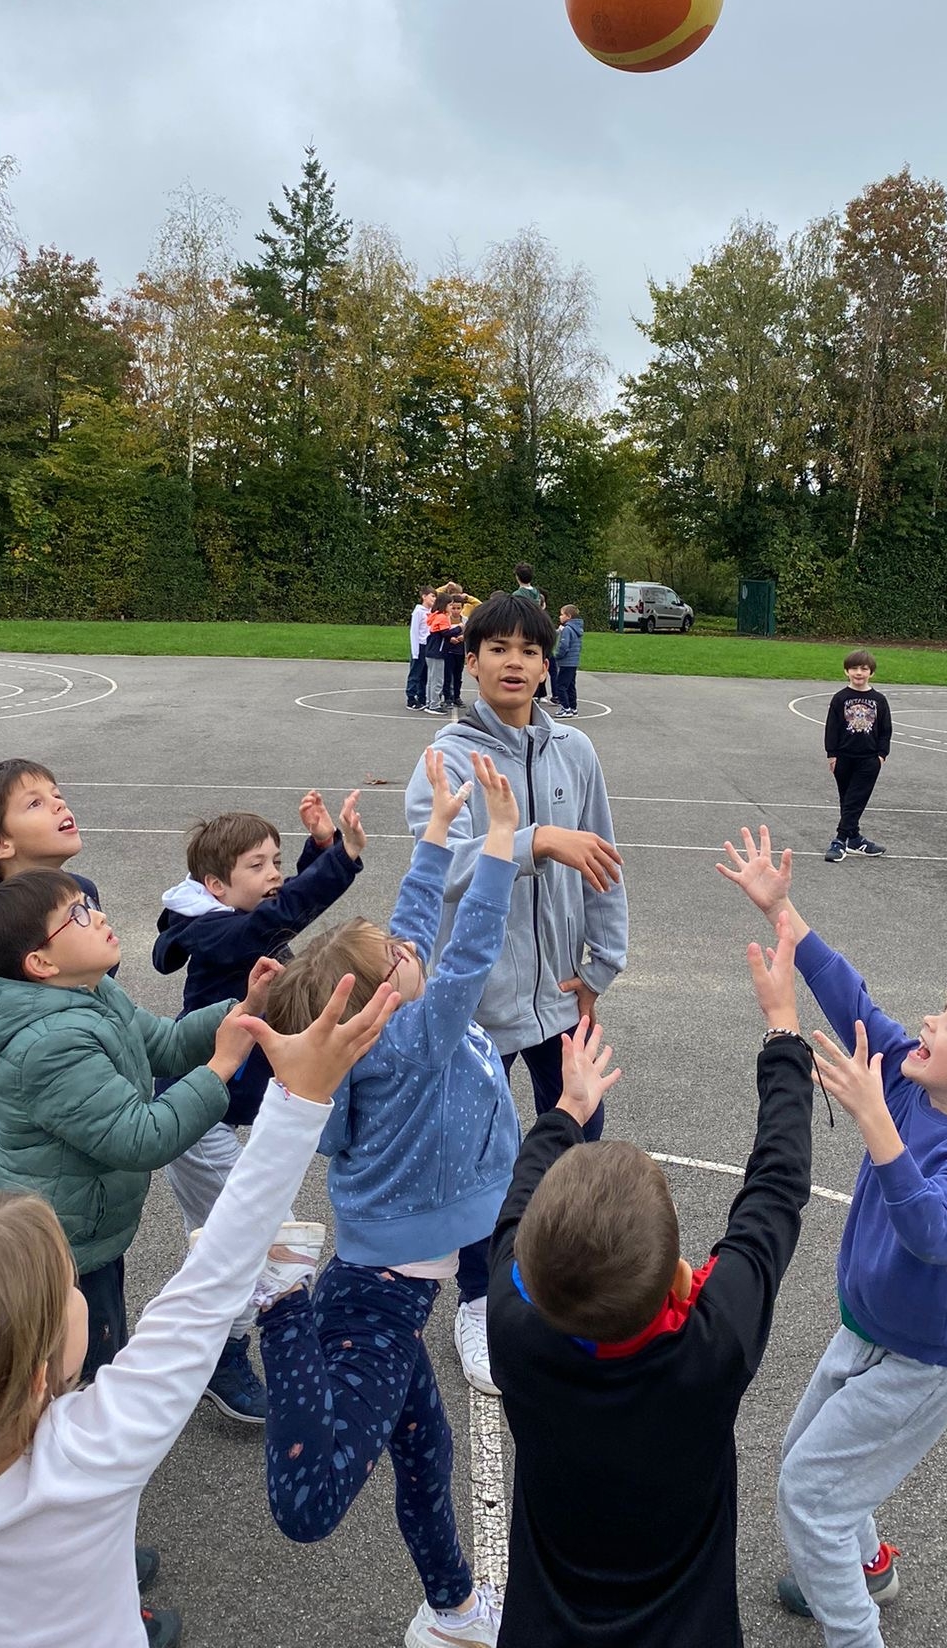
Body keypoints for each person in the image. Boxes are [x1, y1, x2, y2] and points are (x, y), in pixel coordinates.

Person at [0, 988, 395, 1648]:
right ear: (43, 1376)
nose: (78, 1288)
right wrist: (301, 1099)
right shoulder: (93, 1452)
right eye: (68, 1289)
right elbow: (216, 1279)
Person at [719, 826, 947, 1642]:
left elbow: (935, 1232)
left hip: (925, 1357)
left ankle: (855, 1629)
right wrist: (787, 916)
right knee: (809, 1456)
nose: (927, 1021)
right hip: (868, 1326)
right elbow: (851, 997)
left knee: (808, 1491)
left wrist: (876, 1122)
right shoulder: (913, 1071)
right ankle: (867, 1564)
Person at [255, 749, 520, 1648]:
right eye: (400, 959)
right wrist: (499, 842)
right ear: (380, 999)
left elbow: (406, 932)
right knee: (309, 1500)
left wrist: (438, 831)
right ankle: (277, 1299)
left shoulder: (378, 1032)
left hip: (390, 1277)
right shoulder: (417, 1039)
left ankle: (451, 1609)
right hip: (383, 1292)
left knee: (425, 1450)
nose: (415, 948)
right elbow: (469, 943)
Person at [487, 926, 815, 1647]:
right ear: (682, 1278)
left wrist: (566, 1113)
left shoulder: (513, 1330)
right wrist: (784, 1033)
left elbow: (514, 1208)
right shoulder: (712, 1344)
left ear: (531, 1272)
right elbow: (775, 1190)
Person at [404, 590, 627, 1394]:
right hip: (480, 1000)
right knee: (477, 1152)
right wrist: (532, 840)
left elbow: (605, 863)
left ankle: (578, 1272)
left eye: (529, 651)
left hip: (559, 994)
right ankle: (477, 1297)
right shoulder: (451, 758)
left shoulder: (576, 753)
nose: (513, 662)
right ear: (469, 662)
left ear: (547, 663)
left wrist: (599, 967)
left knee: (582, 1128)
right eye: (495, 648)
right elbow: (440, 866)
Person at [0, 870, 263, 1380]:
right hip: (54, 1250)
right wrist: (220, 1067)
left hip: (87, 1229)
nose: (97, 915)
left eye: (89, 904)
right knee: (70, 1374)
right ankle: (73, 1452)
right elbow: (143, 1137)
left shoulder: (92, 993)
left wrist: (241, 1012)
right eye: (76, 915)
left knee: (96, 1352)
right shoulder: (48, 1045)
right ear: (40, 963)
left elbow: (165, 1044)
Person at [150, 789, 366, 1419]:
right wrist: (345, 859)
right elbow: (278, 917)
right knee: (260, 1238)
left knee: (231, 1240)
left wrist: (320, 846)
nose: (275, 875)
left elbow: (277, 901)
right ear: (215, 885)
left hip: (219, 1115)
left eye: (278, 860)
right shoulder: (218, 934)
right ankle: (222, 1352)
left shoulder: (233, 915)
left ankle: (197, 1344)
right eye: (259, 865)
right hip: (195, 1119)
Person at [0, 759, 104, 1202]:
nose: (58, 805)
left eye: (57, 795)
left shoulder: (79, 892)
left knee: (81, 1251)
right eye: (35, 803)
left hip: (74, 1104)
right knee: (3, 1262)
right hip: (6, 1132)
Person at [824, 650, 891, 861]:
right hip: (843, 757)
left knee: (855, 799)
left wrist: (881, 755)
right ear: (846, 671)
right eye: (854, 668)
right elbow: (832, 728)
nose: (859, 673)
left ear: (871, 672)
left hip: (869, 759)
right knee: (847, 800)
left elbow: (886, 729)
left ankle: (839, 840)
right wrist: (832, 754)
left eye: (864, 669)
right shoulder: (840, 698)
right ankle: (854, 838)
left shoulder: (879, 700)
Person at [423, 594, 452, 716]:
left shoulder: (435, 615)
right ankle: (434, 705)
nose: (451, 607)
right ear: (444, 605)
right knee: (437, 679)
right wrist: (460, 628)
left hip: (431, 651)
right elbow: (445, 633)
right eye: (450, 605)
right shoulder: (442, 617)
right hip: (437, 652)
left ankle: (430, 702)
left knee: (431, 678)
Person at [406, 587, 435, 711]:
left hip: (429, 645)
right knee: (415, 672)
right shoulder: (418, 611)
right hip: (420, 645)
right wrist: (415, 651)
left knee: (425, 673)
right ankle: (411, 698)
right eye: (432, 596)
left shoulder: (432, 611)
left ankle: (422, 697)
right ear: (424, 596)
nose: (434, 599)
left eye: (435, 596)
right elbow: (414, 631)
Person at [551, 604, 583, 717]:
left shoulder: (567, 629)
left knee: (561, 685)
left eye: (562, 614)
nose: (560, 617)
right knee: (570, 685)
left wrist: (557, 655)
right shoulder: (577, 629)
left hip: (566, 662)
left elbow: (563, 646)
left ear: (568, 616)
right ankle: (573, 707)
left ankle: (566, 708)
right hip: (573, 661)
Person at [441, 598, 467, 710]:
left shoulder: (465, 620)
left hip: (460, 652)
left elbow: (470, 633)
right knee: (447, 675)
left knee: (458, 676)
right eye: (453, 608)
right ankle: (447, 697)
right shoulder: (446, 619)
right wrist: (450, 638)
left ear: (462, 608)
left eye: (458, 608)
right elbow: (442, 633)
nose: (456, 611)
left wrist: (463, 637)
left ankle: (457, 696)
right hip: (449, 651)